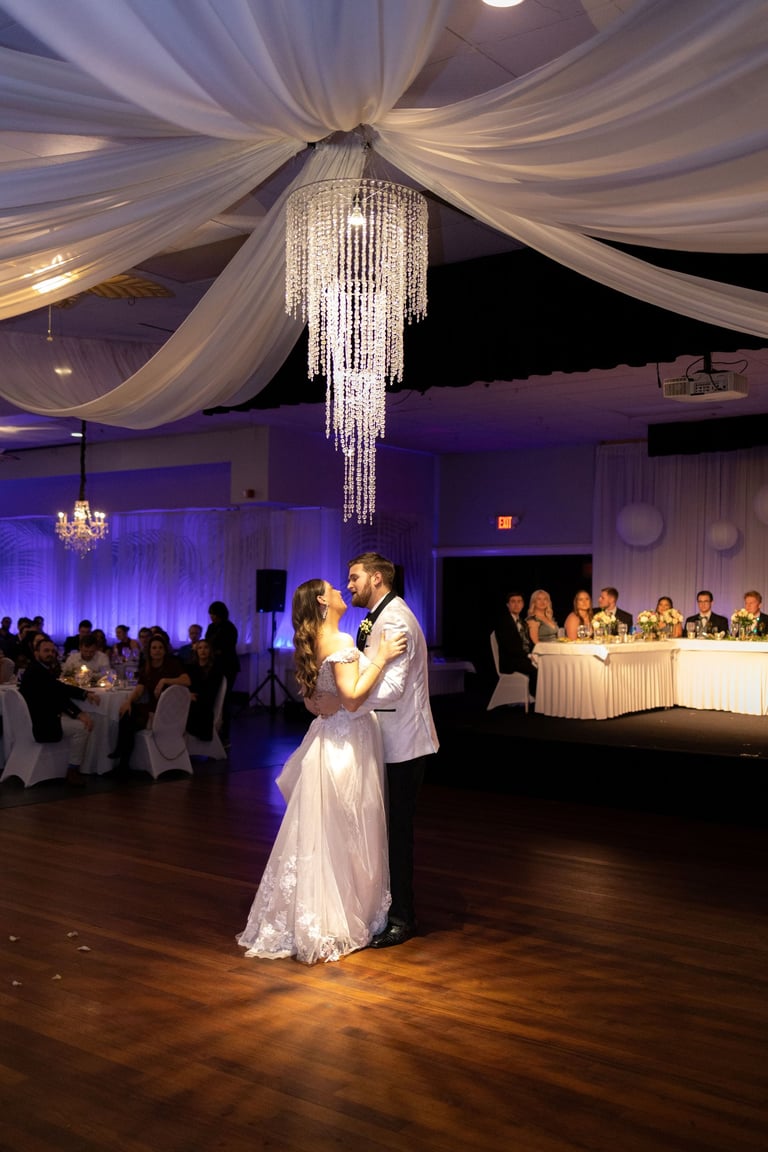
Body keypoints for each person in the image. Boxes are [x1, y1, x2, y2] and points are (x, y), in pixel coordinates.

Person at [237, 577, 406, 964]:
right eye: (334, 590)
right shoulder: (341, 641)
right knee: (350, 827)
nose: (341, 592)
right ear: (322, 601)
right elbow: (352, 700)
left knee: (326, 830)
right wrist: (381, 656)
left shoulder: (312, 643)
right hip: (346, 742)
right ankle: (340, 915)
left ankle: (320, 912)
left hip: (328, 738)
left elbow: (315, 704)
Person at [19, 636, 100, 786]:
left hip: (34, 720)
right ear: (36, 653)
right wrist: (78, 713)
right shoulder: (37, 672)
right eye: (46, 651)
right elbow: (57, 696)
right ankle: (73, 771)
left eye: (52, 651)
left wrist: (84, 693)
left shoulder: (38, 669)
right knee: (83, 727)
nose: (50, 654)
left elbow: (58, 689)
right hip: (41, 725)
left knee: (79, 721)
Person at [108, 635, 190, 772]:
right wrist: (128, 701)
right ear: (149, 651)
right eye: (154, 648)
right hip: (152, 707)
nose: (157, 650)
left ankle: (122, 757)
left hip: (168, 712)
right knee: (128, 713)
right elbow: (139, 689)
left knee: (129, 722)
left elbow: (187, 680)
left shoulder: (172, 664)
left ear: (165, 650)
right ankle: (123, 759)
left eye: (160, 648)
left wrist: (165, 680)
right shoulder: (146, 667)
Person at [206, 601, 240, 745]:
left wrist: (214, 652)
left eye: (214, 614)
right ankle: (214, 729)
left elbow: (227, 648)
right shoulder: (212, 627)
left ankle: (225, 733)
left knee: (224, 699)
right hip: (215, 666)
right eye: (211, 614)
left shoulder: (229, 628)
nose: (212, 617)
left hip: (227, 667)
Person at [494, 591, 537, 695]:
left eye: (519, 601)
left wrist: (536, 652)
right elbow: (509, 647)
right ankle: (536, 697)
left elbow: (528, 642)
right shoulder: (503, 622)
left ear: (523, 604)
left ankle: (543, 696)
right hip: (511, 661)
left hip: (522, 657)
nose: (516, 604)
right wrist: (528, 656)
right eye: (513, 602)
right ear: (508, 605)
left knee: (544, 665)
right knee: (536, 670)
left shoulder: (523, 622)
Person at [184, 638, 224, 741]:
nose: (203, 650)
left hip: (204, 704)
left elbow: (210, 691)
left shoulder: (215, 669)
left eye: (206, 648)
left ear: (210, 651)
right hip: (191, 699)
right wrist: (188, 694)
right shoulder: (192, 667)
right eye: (200, 648)